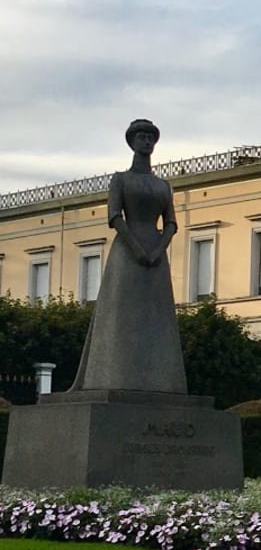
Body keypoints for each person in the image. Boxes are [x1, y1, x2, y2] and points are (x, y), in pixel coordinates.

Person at [68, 119, 188, 394]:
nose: (147, 141)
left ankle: (159, 381)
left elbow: (171, 221)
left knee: (156, 318)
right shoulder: (120, 180)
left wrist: (159, 249)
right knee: (121, 314)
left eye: (150, 138)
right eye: (142, 137)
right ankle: (112, 375)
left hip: (156, 256)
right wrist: (136, 247)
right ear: (132, 142)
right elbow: (115, 217)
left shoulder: (163, 185)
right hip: (127, 252)